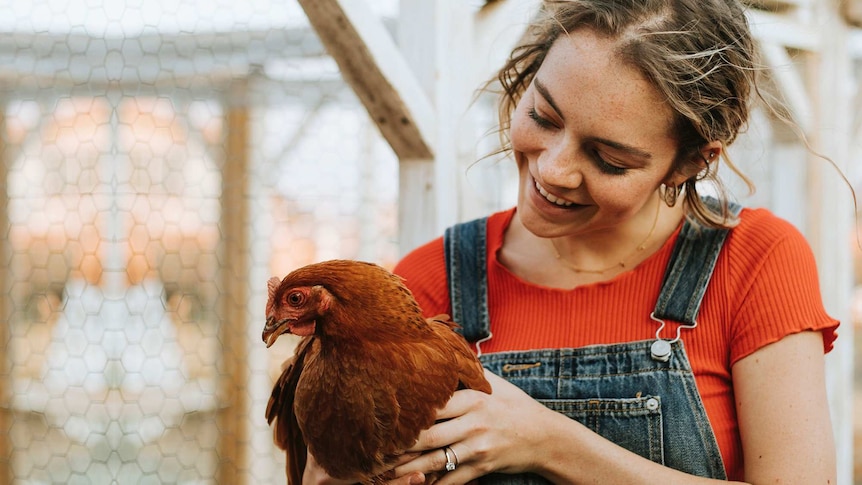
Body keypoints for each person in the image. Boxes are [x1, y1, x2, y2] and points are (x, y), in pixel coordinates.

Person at [302, 0, 840, 483]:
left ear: (693, 160)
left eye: (609, 159)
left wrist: (549, 442)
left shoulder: (755, 259)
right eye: (543, 116)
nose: (555, 169)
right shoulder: (428, 281)